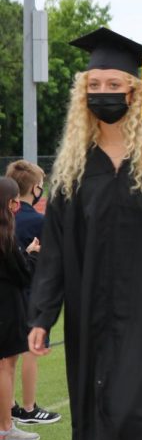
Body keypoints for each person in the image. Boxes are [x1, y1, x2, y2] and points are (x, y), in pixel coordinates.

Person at [27, 27, 142, 440]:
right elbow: (55, 248)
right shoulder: (74, 164)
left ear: (134, 91)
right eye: (93, 85)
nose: (101, 93)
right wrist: (42, 315)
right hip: (89, 312)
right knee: (97, 410)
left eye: (113, 85)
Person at [4, 161, 61, 425]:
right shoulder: (37, 220)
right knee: (29, 352)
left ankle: (12, 405)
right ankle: (28, 408)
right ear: (35, 188)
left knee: (8, 358)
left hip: (11, 296)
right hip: (32, 295)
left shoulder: (9, 217)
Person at [0, 177, 41, 440]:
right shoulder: (4, 235)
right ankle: (5, 427)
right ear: (11, 203)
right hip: (7, 307)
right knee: (6, 366)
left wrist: (23, 253)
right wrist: (34, 255)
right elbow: (23, 274)